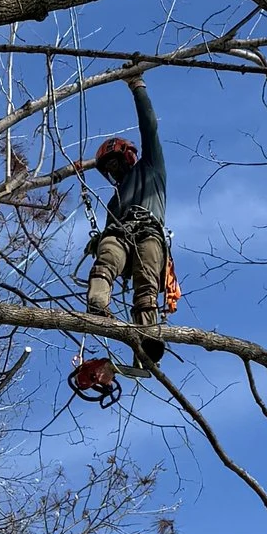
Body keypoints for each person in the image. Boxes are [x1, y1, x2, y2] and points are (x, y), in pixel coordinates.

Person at [85, 76, 169, 361]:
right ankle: (97, 302)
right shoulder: (114, 200)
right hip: (120, 233)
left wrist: (138, 87)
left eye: (114, 163)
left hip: (148, 230)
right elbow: (108, 236)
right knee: (107, 255)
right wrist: (99, 240)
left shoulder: (151, 168)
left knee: (146, 282)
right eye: (107, 167)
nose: (113, 170)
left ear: (126, 158)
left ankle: (147, 336)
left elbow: (150, 128)